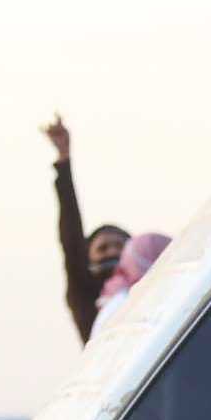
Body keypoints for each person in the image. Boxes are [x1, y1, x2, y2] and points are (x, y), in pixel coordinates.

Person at [43, 113, 130, 345]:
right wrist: (64, 161)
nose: (112, 252)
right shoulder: (85, 293)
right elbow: (71, 239)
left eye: (119, 246)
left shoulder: (147, 288)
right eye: (102, 248)